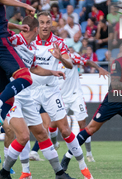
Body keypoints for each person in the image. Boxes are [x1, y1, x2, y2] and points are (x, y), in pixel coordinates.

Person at [15, 11, 92, 179]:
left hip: (51, 91)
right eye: (41, 22)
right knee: (24, 132)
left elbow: (70, 65)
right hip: (30, 91)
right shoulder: (28, 40)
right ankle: (25, 171)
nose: (44, 25)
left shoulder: (59, 42)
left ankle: (83, 167)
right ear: (37, 25)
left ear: (52, 24)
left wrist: (61, 59)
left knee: (65, 130)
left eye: (47, 22)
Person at [0, 15, 75, 179]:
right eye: (38, 28)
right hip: (13, 95)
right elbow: (0, 30)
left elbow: (34, 68)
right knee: (24, 136)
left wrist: (53, 72)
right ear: (34, 29)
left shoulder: (28, 48)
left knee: (41, 133)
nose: (39, 33)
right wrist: (17, 27)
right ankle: (5, 172)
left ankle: (59, 173)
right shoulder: (15, 40)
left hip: (27, 95)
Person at [61, 37, 122, 169]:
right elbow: (115, 83)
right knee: (90, 129)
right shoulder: (117, 63)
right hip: (112, 101)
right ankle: (67, 156)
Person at [48, 51, 109, 162]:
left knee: (83, 124)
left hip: (76, 96)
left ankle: (89, 154)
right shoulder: (49, 59)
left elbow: (87, 61)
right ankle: (54, 143)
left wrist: (99, 68)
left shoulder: (71, 56)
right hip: (61, 97)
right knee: (53, 124)